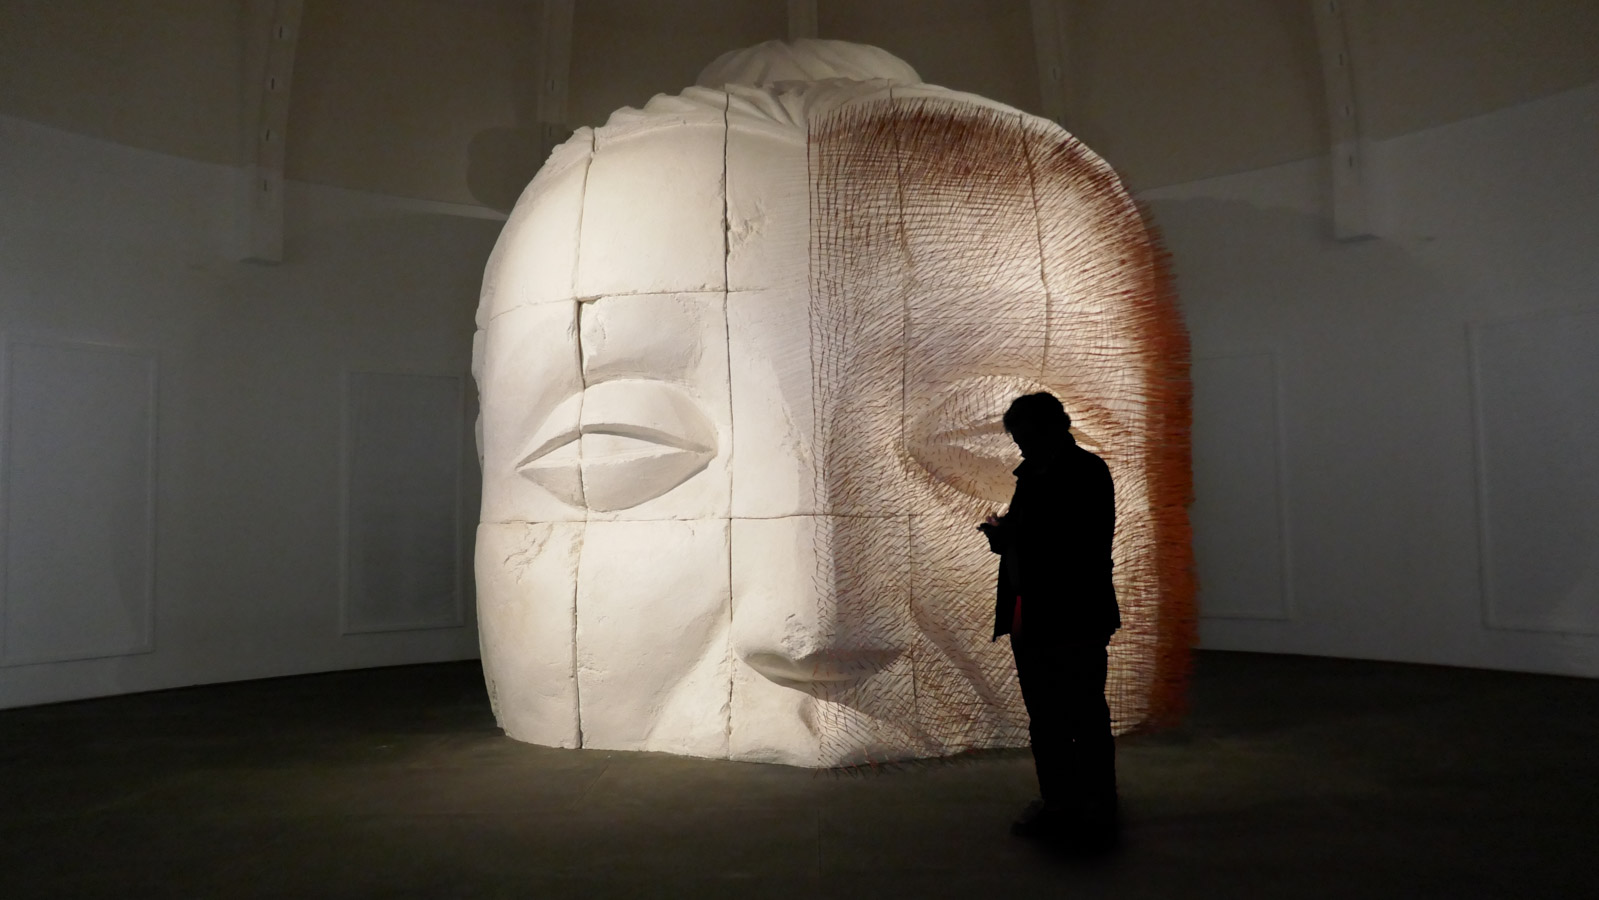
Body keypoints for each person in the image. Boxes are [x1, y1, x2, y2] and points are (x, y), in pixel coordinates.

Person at [981, 392, 1120, 841]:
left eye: (1025, 437)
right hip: (1035, 613)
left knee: (1082, 712)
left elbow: (1079, 544)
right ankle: (1062, 801)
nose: (1020, 447)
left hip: (1073, 613)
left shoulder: (1085, 472)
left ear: (1053, 428)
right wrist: (1006, 537)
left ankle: (1093, 804)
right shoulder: (1035, 473)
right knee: (1045, 715)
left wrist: (1011, 537)